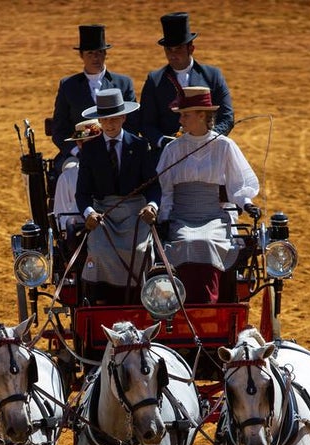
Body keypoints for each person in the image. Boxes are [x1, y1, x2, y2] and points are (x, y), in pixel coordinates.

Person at [155, 86, 260, 305]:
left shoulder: (224, 145)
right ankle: (184, 301)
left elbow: (238, 184)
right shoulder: (173, 148)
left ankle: (208, 303)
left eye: (186, 115)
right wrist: (164, 218)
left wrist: (247, 203)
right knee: (187, 241)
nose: (180, 120)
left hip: (213, 216)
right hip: (182, 217)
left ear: (202, 115)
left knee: (206, 241)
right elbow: (165, 189)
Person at [75, 89, 161, 306]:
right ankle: (101, 300)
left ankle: (141, 300)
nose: (110, 124)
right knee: (100, 251)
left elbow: (153, 187)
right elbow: (82, 193)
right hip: (103, 214)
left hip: (135, 213)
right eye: (105, 119)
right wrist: (89, 213)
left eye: (114, 118)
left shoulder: (139, 145)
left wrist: (151, 206)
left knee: (140, 251)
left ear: (123, 117)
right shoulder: (90, 149)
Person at [140, 12, 234, 155]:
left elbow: (227, 117)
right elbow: (146, 123)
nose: (172, 55)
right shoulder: (154, 80)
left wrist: (207, 140)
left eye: (178, 48)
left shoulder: (212, 76)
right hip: (168, 155)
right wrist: (164, 142)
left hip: (207, 151)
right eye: (168, 49)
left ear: (191, 48)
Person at [50, 24, 139, 167]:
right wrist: (77, 151)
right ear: (81, 55)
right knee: (71, 170)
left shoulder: (123, 83)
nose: (95, 58)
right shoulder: (68, 86)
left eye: (99, 52)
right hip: (79, 153)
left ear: (105, 54)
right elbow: (59, 130)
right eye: (90, 53)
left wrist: (116, 147)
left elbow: (133, 124)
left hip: (117, 149)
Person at [53, 119, 101, 238]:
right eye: (88, 144)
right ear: (79, 144)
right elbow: (61, 217)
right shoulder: (67, 178)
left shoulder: (118, 169)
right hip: (80, 235)